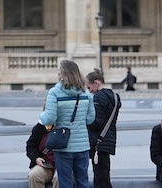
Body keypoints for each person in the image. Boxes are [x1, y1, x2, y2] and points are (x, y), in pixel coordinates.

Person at [39, 60, 91, 188]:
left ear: (63, 73)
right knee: (83, 181)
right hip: (83, 145)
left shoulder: (54, 92)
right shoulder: (86, 93)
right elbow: (90, 119)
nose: (58, 73)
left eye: (59, 70)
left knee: (65, 183)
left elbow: (49, 119)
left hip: (64, 146)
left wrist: (41, 115)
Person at [83, 68, 120, 188]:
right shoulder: (114, 96)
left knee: (100, 178)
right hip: (108, 140)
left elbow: (97, 123)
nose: (89, 91)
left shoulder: (98, 98)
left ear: (96, 83)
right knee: (104, 174)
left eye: (89, 87)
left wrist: (84, 119)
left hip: (98, 142)